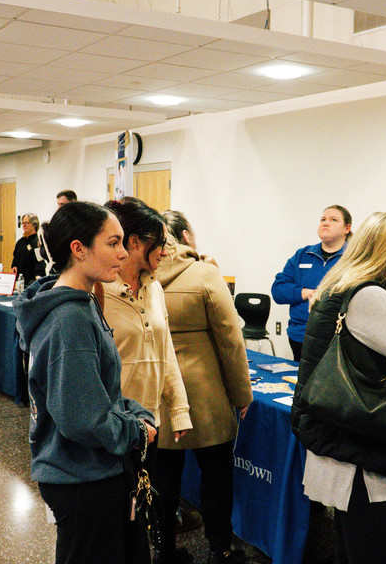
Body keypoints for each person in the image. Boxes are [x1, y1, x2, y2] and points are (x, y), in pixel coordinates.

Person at [291, 212, 386, 564]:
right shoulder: (370, 297)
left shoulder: (336, 286)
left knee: (349, 551)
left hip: (339, 441)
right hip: (362, 456)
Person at [12, 200, 157, 564]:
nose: (123, 254)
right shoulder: (69, 320)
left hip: (89, 471)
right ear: (78, 249)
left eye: (123, 243)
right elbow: (82, 418)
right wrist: (136, 432)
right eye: (112, 243)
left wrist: (134, 412)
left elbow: (100, 390)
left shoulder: (84, 302)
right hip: (82, 478)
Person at [154, 213, 253, 564]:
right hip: (205, 393)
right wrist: (242, 394)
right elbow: (230, 340)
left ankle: (164, 550)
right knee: (216, 478)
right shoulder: (205, 273)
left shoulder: (140, 275)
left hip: (158, 393)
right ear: (184, 237)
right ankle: (219, 549)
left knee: (162, 479)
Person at [102, 197, 192, 466]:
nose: (165, 252)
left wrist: (179, 410)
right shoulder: (98, 292)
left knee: (142, 502)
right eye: (161, 242)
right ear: (134, 242)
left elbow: (165, 354)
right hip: (112, 427)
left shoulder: (154, 287)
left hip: (150, 424)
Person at [272, 205, 352, 361]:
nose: (325, 223)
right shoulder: (303, 255)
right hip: (299, 337)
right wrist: (306, 293)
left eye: (333, 220)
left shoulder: (352, 259)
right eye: (323, 219)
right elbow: (278, 290)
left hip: (335, 341)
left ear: (346, 228)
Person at [12, 213, 45, 287]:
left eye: (26, 223)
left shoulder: (37, 242)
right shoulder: (20, 242)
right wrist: (14, 265)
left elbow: (39, 262)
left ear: (34, 224)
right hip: (21, 281)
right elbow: (15, 258)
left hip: (32, 281)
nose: (24, 225)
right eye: (23, 223)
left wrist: (38, 275)